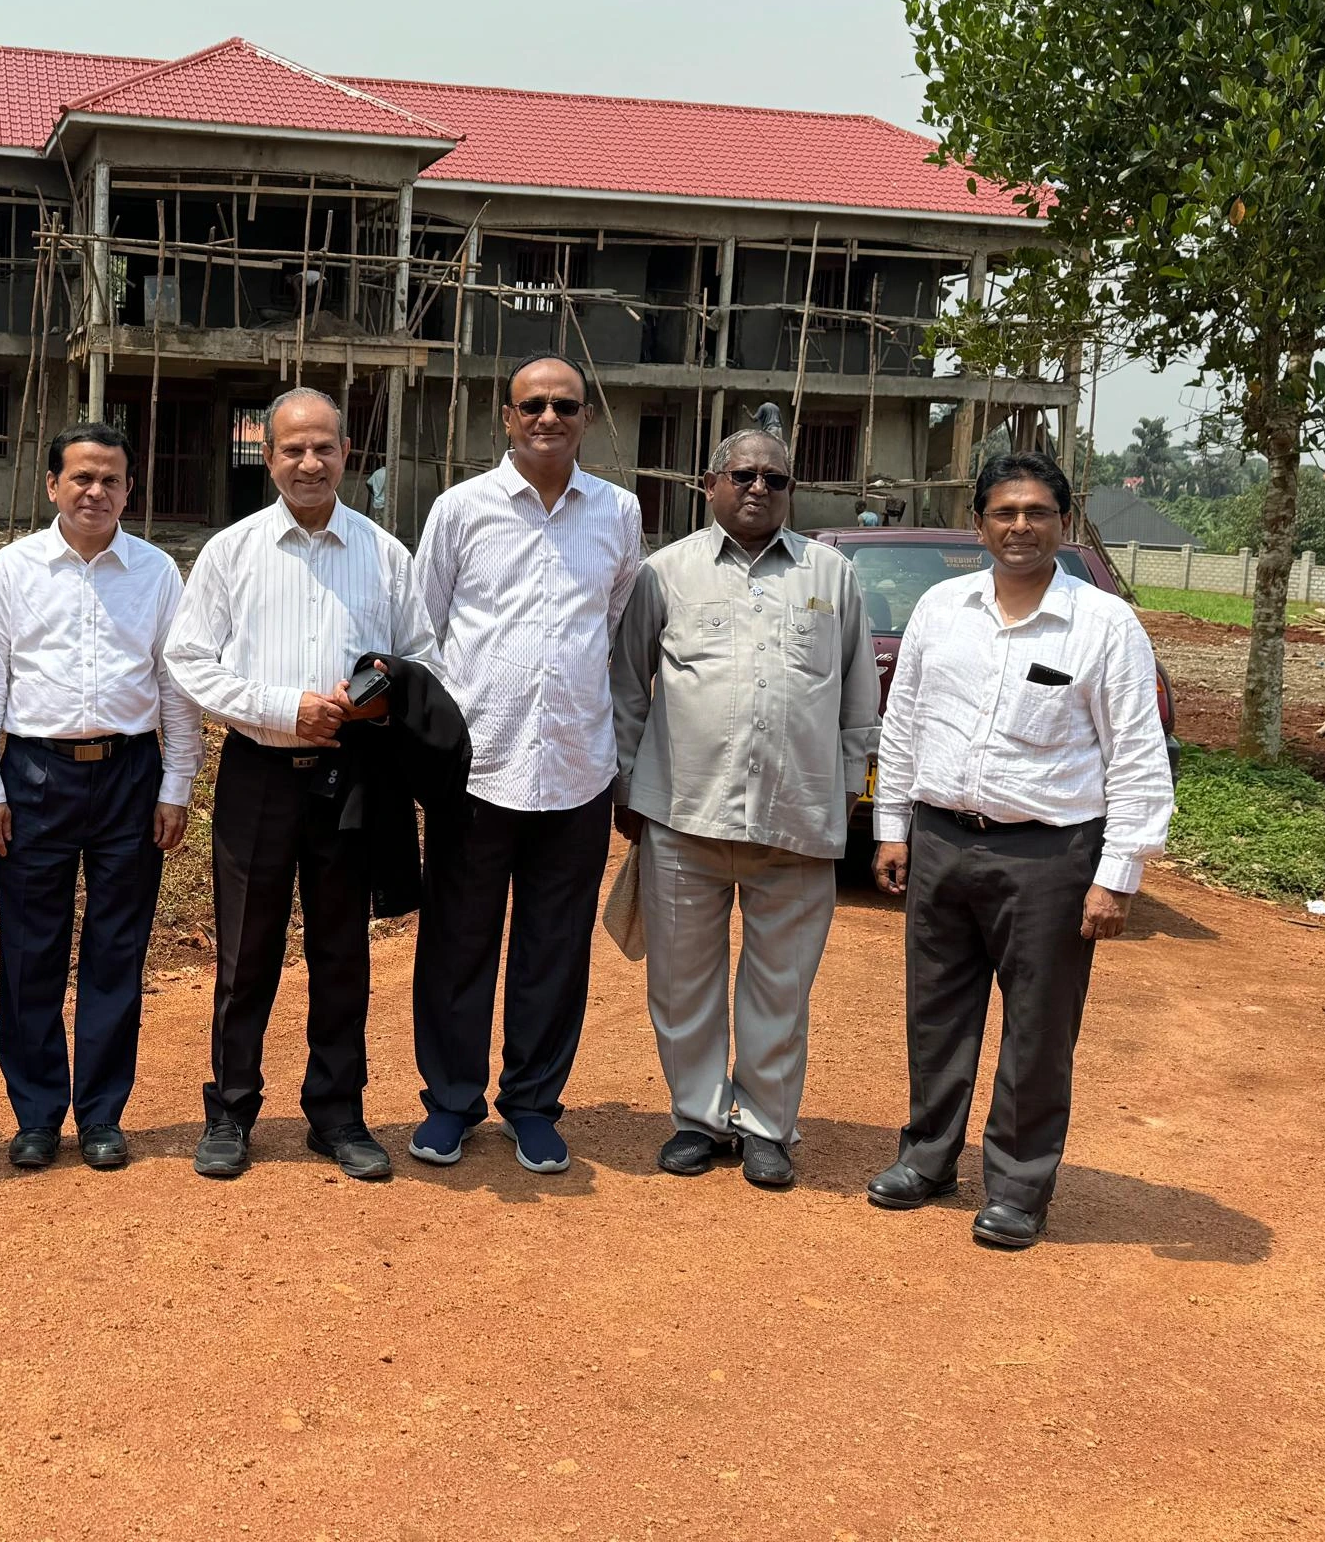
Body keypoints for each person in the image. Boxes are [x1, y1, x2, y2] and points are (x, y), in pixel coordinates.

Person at [868, 450, 1175, 1249]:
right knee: (935, 1014)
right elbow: (904, 724)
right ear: (979, 524)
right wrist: (892, 828)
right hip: (942, 841)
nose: (1020, 527)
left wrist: (1119, 876)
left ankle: (1018, 1187)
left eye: (1037, 512)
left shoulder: (1104, 626)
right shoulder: (941, 610)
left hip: (1050, 857)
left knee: (1038, 1030)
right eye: (1004, 512)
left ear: (1064, 525)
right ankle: (928, 1158)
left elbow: (1137, 755)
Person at [165, 387, 436, 1181]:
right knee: (246, 951)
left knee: (341, 952)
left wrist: (371, 700)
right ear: (269, 457)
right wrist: (285, 707)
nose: (309, 462)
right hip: (258, 774)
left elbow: (423, 657)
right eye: (292, 449)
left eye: (324, 448)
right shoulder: (232, 552)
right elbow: (188, 661)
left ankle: (337, 1113)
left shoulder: (386, 555)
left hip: (353, 777)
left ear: (347, 454)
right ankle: (232, 1111)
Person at [608, 427, 875, 1190]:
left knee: (780, 989)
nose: (759, 489)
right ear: (710, 483)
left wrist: (848, 796)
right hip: (684, 817)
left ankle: (765, 1127)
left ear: (792, 491)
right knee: (682, 984)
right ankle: (697, 1118)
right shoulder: (663, 575)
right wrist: (628, 790)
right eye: (744, 475)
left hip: (797, 821)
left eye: (775, 479)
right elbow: (628, 691)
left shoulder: (834, 578)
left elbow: (859, 702)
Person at [408, 354, 641, 1174]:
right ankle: (450, 1103)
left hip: (576, 767)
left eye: (565, 406)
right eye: (532, 405)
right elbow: (423, 631)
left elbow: (607, 627)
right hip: (477, 769)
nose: (548, 418)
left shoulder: (619, 513)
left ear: (586, 418)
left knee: (554, 946)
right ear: (506, 417)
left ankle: (534, 1104)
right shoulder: (460, 510)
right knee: (457, 942)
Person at [0, 422, 200, 1172]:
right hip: (36, 777)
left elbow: (176, 686)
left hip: (130, 775)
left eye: (111, 480)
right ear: (53, 485)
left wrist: (177, 784)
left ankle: (102, 1115)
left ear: (131, 490)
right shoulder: (13, 569)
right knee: (31, 951)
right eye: (81, 478)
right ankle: (36, 1115)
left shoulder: (158, 572)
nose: (95, 492)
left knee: (116, 951)